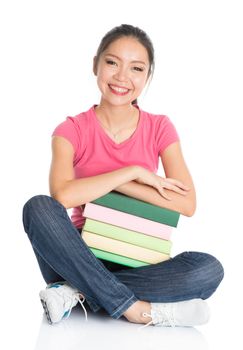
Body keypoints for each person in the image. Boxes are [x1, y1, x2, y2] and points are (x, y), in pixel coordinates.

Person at [22, 24, 224, 327]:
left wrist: (124, 184)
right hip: (77, 253)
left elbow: (187, 203)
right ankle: (140, 310)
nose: (122, 77)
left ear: (147, 76)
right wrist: (131, 173)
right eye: (112, 62)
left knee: (208, 269)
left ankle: (75, 293)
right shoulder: (71, 130)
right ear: (95, 65)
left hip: (140, 256)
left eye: (136, 68)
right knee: (37, 207)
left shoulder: (159, 127)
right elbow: (62, 196)